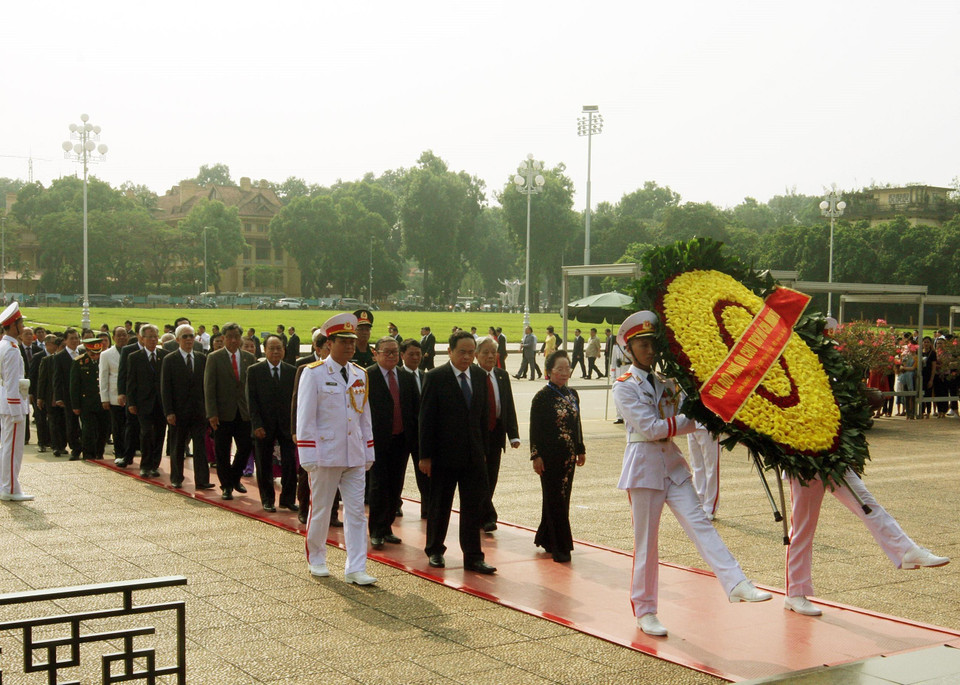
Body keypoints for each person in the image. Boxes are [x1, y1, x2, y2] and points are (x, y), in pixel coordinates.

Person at [612, 310, 771, 637]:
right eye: (642, 345)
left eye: (652, 344)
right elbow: (651, 427)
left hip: (671, 464)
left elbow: (688, 407)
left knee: (700, 523)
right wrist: (698, 418)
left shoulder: (666, 382)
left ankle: (736, 582)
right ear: (629, 349)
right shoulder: (624, 386)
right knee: (646, 544)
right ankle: (645, 611)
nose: (649, 350)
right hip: (643, 467)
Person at [785, 472, 949, 617]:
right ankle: (795, 593)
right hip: (802, 465)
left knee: (867, 505)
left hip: (833, 459)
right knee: (803, 528)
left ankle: (907, 550)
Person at [296, 313, 377, 585]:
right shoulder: (314, 373)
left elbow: (364, 416)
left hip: (354, 454)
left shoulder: (359, 374)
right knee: (321, 509)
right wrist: (307, 454)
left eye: (352, 341)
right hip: (325, 454)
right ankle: (317, 558)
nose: (350, 346)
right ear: (329, 343)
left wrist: (368, 450)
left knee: (356, 512)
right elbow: (305, 417)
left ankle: (356, 567)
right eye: (343, 341)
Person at [419, 330, 495, 574]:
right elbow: (426, 419)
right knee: (440, 505)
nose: (467, 357)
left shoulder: (479, 376)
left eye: (471, 353)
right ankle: (435, 550)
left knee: (473, 507)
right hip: (444, 456)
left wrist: (483, 450)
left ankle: (473, 556)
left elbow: (483, 417)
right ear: (450, 351)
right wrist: (425, 456)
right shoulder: (435, 377)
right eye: (462, 352)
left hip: (473, 455)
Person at [530, 350, 583, 562]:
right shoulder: (542, 397)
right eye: (559, 369)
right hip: (549, 457)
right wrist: (536, 455)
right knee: (554, 499)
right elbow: (535, 429)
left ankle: (547, 538)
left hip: (568, 457)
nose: (564, 372)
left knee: (563, 498)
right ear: (549, 371)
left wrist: (580, 448)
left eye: (567, 368)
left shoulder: (573, 394)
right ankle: (561, 546)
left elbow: (577, 424)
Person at [366, 336, 419, 548]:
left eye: (395, 352)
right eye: (386, 352)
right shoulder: (367, 376)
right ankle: (376, 530)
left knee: (395, 486)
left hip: (401, 440)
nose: (391, 356)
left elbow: (415, 409)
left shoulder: (406, 377)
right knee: (378, 486)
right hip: (377, 441)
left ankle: (387, 527)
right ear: (376, 354)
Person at [204, 322, 256, 500]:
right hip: (222, 413)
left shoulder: (248, 358)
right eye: (230, 337)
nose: (233, 340)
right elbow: (209, 388)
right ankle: (226, 486)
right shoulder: (214, 358)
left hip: (244, 413)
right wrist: (212, 413)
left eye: (236, 337)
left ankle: (234, 477)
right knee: (222, 452)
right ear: (223, 338)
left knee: (246, 447)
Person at [247, 334, 297, 513]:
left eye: (279, 348)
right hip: (263, 426)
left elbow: (296, 401)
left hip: (287, 426)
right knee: (264, 464)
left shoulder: (292, 371)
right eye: (272, 348)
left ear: (284, 350)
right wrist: (256, 424)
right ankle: (267, 499)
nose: (276, 352)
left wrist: (295, 426)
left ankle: (288, 499)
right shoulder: (254, 370)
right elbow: (251, 400)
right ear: (265, 350)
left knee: (290, 463)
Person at [160, 324, 214, 491]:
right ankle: (177, 477)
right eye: (185, 336)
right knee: (178, 446)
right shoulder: (170, 360)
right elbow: (165, 388)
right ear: (177, 340)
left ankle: (202, 480)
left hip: (199, 412)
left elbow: (207, 386)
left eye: (191, 336)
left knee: (200, 447)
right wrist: (169, 411)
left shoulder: (202, 358)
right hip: (178, 412)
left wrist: (209, 410)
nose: (189, 339)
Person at [475, 337, 520, 533]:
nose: (490, 356)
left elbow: (508, 405)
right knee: (480, 478)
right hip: (478, 435)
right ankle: (487, 516)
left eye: (493, 352)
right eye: (485, 352)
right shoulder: (472, 375)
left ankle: (482, 514)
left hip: (496, 434)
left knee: (491, 477)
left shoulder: (501, 375)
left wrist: (513, 434)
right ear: (476, 355)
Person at [125, 325, 167, 478]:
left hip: (161, 403)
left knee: (160, 434)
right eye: (150, 337)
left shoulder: (165, 355)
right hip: (143, 403)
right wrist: (131, 402)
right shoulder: (135, 357)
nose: (153, 340)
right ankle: (145, 465)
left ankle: (155, 465)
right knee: (146, 433)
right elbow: (131, 381)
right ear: (142, 339)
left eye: (155, 336)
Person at [0, 303, 32, 501]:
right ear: (14, 325)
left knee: (6, 447)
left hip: (6, 402)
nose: (23, 326)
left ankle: (6, 484)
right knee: (13, 450)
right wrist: (16, 411)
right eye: (21, 323)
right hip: (12, 404)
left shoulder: (4, 345)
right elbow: (12, 383)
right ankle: (10, 488)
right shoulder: (11, 349)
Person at [399, 337, 428, 517]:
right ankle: (395, 503)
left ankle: (427, 507)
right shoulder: (397, 377)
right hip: (402, 435)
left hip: (421, 436)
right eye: (411, 354)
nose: (416, 358)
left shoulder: (426, 376)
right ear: (402, 355)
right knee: (398, 473)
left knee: (425, 474)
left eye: (418, 354)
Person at [70, 336, 111, 460]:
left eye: (98, 353)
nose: (95, 356)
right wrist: (75, 405)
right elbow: (74, 385)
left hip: (103, 402)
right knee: (88, 431)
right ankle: (88, 454)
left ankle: (99, 452)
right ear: (87, 350)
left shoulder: (104, 359)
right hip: (86, 403)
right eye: (92, 354)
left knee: (103, 430)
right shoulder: (79, 362)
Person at [52, 328, 83, 459]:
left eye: (76, 338)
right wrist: (58, 397)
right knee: (71, 423)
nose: (75, 341)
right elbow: (57, 378)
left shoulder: (84, 353)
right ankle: (75, 448)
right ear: (65, 340)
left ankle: (87, 447)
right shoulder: (60, 357)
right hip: (68, 395)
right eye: (71, 338)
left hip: (84, 394)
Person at [687, 423, 721, 520]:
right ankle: (699, 502)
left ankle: (710, 507)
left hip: (709, 425)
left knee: (711, 468)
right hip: (691, 424)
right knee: (697, 467)